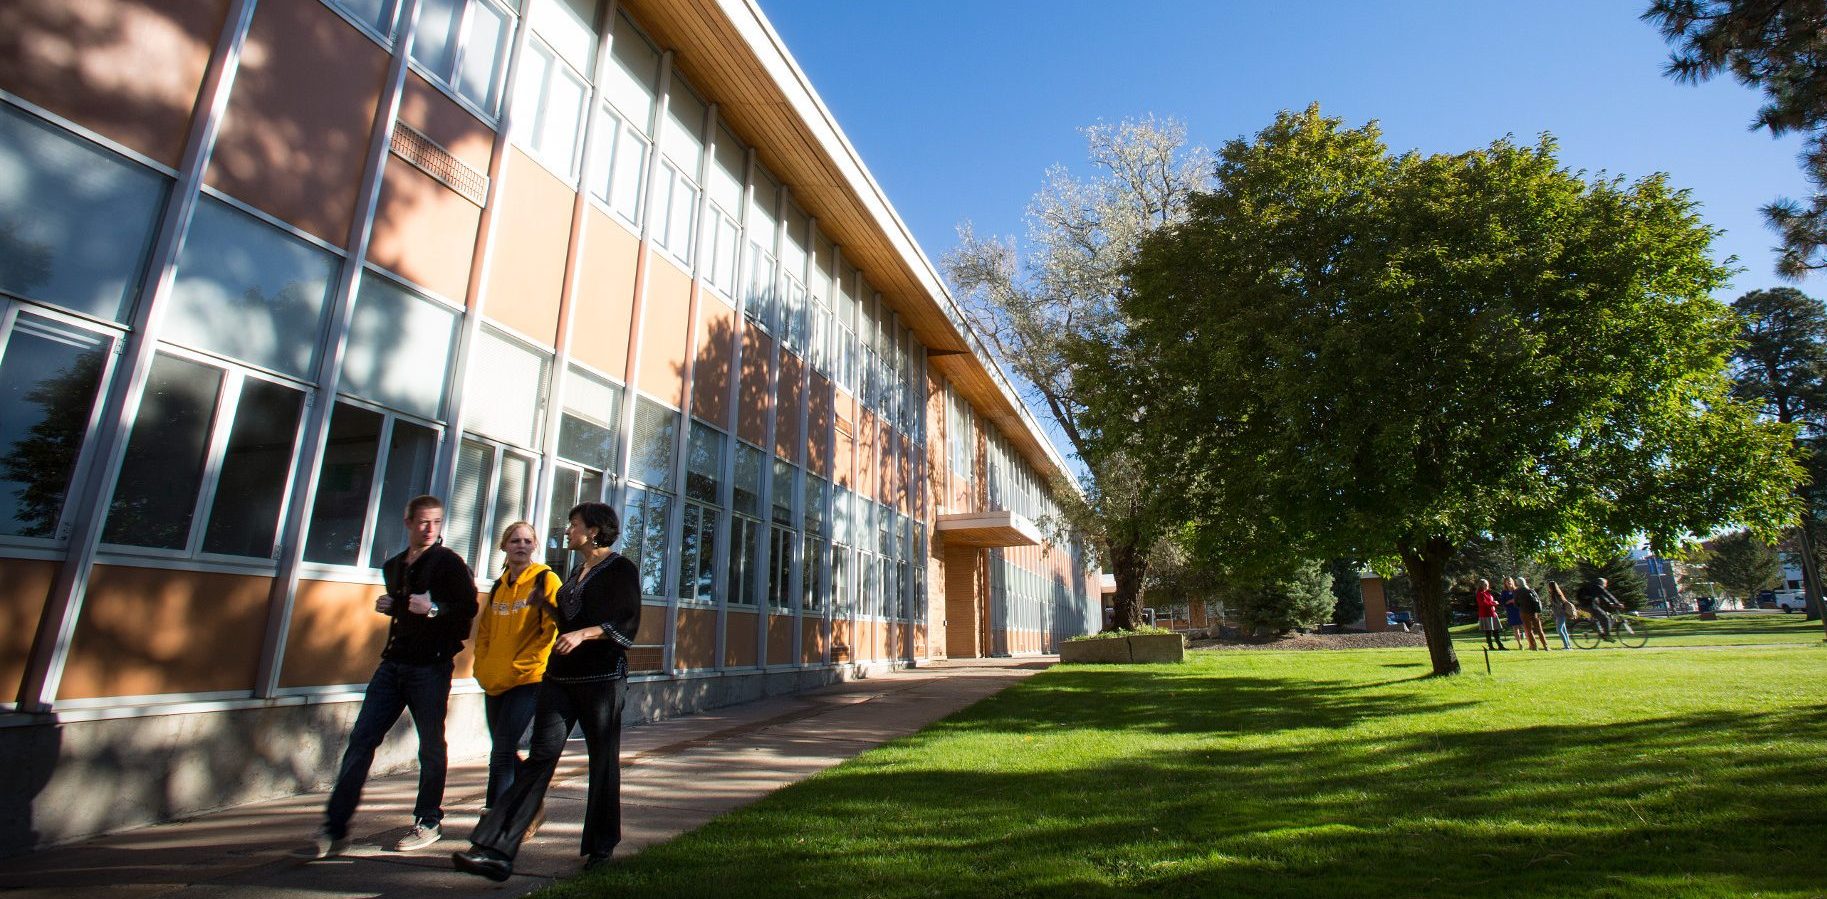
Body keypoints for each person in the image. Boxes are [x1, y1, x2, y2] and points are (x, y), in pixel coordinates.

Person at [454, 502, 641, 881]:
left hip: (602, 679)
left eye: (574, 525)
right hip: (560, 679)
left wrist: (583, 634)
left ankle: (600, 846)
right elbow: (571, 618)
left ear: (592, 531)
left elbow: (625, 621)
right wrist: (549, 609)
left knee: (602, 761)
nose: (567, 530)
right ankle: (498, 849)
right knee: (539, 758)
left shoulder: (620, 568)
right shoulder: (576, 572)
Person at [311, 495, 477, 858]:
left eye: (435, 521)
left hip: (431, 667)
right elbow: (407, 608)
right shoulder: (394, 566)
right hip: (392, 665)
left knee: (430, 744)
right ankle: (334, 828)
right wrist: (393, 605)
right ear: (408, 522)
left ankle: (429, 821)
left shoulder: (449, 563)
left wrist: (434, 608)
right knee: (361, 740)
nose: (429, 528)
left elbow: (467, 609)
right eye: (422, 521)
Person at [472, 521, 560, 817]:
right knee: (503, 750)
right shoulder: (499, 586)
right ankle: (529, 802)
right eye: (514, 541)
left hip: (528, 679)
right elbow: (484, 631)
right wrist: (482, 666)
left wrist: (525, 664)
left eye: (527, 541)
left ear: (535, 546)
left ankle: (497, 818)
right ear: (504, 546)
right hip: (495, 679)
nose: (521, 546)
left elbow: (552, 630)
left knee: (502, 752)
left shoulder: (546, 580)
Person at [1513, 576, 1548, 650]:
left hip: (1524, 612)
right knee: (1539, 629)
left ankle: (1534, 646)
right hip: (1534, 612)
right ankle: (1545, 646)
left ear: (1518, 583)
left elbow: (1516, 603)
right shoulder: (1531, 590)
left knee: (1529, 630)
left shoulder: (1517, 591)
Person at [1474, 579, 1505, 650]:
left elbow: (1489, 601)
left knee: (1496, 630)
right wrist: (1493, 603)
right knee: (1488, 631)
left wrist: (1493, 603)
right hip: (1486, 614)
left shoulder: (1488, 593)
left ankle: (1500, 645)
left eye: (1487, 584)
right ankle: (1491, 646)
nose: (1487, 586)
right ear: (1481, 585)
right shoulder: (1480, 593)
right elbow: (1483, 604)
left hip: (1492, 613)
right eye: (1485, 584)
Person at [1547, 580, 1576, 650]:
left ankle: (1566, 646)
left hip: (1560, 614)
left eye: (1549, 587)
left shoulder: (1555, 595)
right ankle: (1568, 645)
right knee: (1564, 630)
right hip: (1560, 614)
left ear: (1551, 587)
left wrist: (1553, 606)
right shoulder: (1559, 594)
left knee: (1559, 630)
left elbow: (1559, 605)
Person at [1500, 578, 1525, 649]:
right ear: (1505, 583)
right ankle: (1520, 644)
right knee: (1515, 628)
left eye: (1510, 581)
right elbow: (1503, 603)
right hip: (1511, 611)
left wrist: (1517, 600)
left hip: (1520, 610)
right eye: (1507, 582)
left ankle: (1531, 643)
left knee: (1525, 626)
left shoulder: (1517, 590)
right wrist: (1510, 601)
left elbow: (1523, 599)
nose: (1509, 582)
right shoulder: (1504, 592)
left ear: (1513, 582)